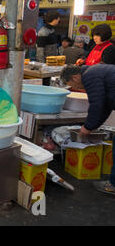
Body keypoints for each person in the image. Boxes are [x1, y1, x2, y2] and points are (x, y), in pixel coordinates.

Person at [60, 64, 115, 195]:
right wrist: (91, 126)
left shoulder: (90, 76)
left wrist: (87, 127)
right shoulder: (94, 72)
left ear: (75, 77)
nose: (77, 88)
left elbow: (97, 104)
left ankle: (113, 185)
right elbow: (105, 106)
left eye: (74, 85)